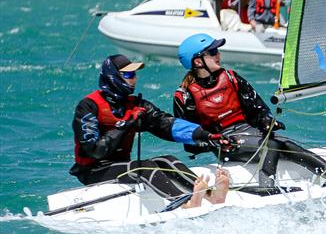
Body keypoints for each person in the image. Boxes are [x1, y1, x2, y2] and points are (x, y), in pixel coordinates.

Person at [173, 33, 326, 187]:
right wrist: (215, 142)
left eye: (217, 50)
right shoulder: (185, 97)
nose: (218, 55)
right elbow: (190, 143)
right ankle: (267, 187)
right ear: (197, 61)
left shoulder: (232, 78)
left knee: (286, 143)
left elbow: (258, 110)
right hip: (226, 145)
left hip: (250, 133)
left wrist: (267, 122)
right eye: (212, 52)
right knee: (274, 144)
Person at [71, 54, 227, 199]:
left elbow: (166, 124)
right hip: (94, 171)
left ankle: (208, 195)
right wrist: (124, 127)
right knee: (144, 167)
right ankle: (183, 201)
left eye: (134, 75)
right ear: (113, 77)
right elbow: (94, 150)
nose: (134, 79)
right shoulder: (88, 106)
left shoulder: (136, 105)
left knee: (167, 160)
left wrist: (206, 135)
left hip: (123, 166)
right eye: (128, 75)